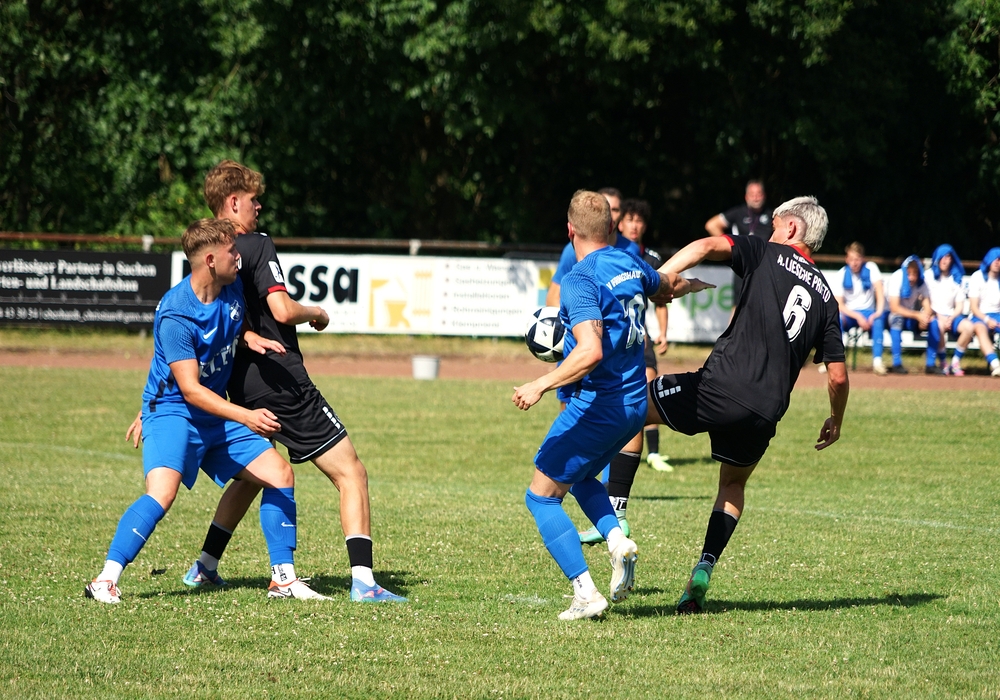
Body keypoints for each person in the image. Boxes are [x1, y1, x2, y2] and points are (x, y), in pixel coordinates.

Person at [181, 160, 406, 602]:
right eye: (253, 199)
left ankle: (205, 566)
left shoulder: (212, 256)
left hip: (239, 385)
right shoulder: (256, 245)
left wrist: (244, 337)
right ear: (233, 202)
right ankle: (364, 583)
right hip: (280, 379)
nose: (259, 207)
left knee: (253, 476)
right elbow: (282, 311)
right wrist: (316, 313)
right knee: (352, 472)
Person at [87, 219, 322, 603]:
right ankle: (105, 580)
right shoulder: (176, 314)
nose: (238, 258)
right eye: (232, 251)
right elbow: (190, 389)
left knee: (279, 473)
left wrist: (248, 337)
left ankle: (283, 579)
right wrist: (245, 416)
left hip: (213, 413)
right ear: (210, 260)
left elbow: (226, 329)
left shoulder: (232, 291)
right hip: (173, 411)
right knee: (162, 493)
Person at [512, 190, 709, 621]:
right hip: (634, 404)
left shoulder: (579, 279)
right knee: (581, 477)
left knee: (540, 498)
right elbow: (667, 285)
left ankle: (585, 593)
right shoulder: (630, 261)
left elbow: (590, 351)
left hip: (600, 404)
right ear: (612, 228)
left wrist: (540, 384)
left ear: (570, 230)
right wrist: (693, 285)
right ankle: (618, 542)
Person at [652, 196, 849, 614]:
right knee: (733, 485)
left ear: (792, 228)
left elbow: (706, 245)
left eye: (775, 224)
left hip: (720, 387)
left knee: (632, 404)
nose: (769, 231)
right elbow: (837, 376)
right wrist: (836, 419)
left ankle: (607, 516)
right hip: (765, 412)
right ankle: (704, 566)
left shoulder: (765, 252)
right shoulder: (827, 299)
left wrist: (661, 279)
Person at [577, 199, 671, 547]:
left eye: (635, 219)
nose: (631, 224)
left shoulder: (635, 255)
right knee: (630, 410)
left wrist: (663, 330)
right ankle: (615, 510)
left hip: (630, 342)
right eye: (623, 216)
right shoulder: (594, 255)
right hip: (609, 343)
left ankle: (617, 506)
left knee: (639, 405)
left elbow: (661, 291)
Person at [544, 188, 635, 308]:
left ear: (621, 214)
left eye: (615, 210)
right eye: (605, 209)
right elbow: (552, 299)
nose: (609, 215)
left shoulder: (632, 250)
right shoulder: (573, 249)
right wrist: (577, 315)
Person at [704, 180, 773, 309]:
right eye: (752, 194)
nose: (756, 197)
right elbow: (711, 225)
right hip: (743, 265)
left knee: (765, 305)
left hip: (764, 265)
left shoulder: (772, 215)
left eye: (758, 194)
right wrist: (729, 247)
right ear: (746, 197)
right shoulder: (738, 212)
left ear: (764, 195)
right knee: (738, 306)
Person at [835, 242, 888, 375]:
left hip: (869, 312)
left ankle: (877, 362)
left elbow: (880, 293)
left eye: (857, 259)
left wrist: (877, 313)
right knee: (836, 320)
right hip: (850, 314)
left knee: (878, 321)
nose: (854, 263)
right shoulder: (841, 273)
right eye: (851, 259)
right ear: (846, 259)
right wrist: (858, 317)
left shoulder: (871, 268)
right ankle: (835, 360)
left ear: (863, 259)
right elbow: (839, 304)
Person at [925, 244, 974, 375]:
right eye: (942, 257)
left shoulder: (956, 278)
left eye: (948, 257)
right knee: (938, 325)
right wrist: (936, 314)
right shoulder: (929, 275)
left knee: (969, 327)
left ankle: (955, 362)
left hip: (952, 315)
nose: (944, 260)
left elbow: (959, 305)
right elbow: (924, 299)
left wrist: (952, 317)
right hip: (934, 315)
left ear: (952, 259)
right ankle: (943, 362)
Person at [884, 255, 932, 375]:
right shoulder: (897, 277)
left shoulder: (921, 281)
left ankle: (931, 364)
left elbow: (927, 306)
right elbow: (894, 308)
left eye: (915, 273)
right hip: (888, 315)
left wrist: (925, 318)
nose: (911, 277)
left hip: (909, 316)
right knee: (897, 319)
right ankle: (897, 363)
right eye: (909, 273)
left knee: (933, 322)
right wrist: (918, 315)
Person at [968, 247, 1000, 376]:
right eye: (995, 259)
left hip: (997, 315)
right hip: (979, 316)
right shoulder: (977, 277)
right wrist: (987, 320)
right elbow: (974, 308)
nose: (997, 263)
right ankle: (995, 364)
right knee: (980, 328)